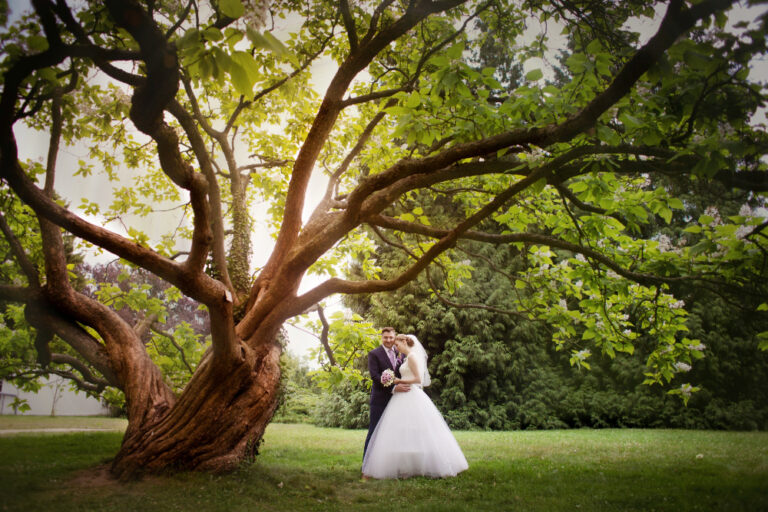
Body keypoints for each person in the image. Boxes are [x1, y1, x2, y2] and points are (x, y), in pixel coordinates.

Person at [362, 334, 468, 479]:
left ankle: (423, 465)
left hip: (410, 393)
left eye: (397, 345)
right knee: (402, 431)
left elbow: (418, 379)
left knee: (416, 429)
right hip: (403, 395)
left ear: (404, 341)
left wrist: (399, 380)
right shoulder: (405, 358)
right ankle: (405, 466)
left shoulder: (411, 357)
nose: (396, 348)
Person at [363, 327, 408, 459]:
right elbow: (375, 377)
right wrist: (394, 388)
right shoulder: (374, 354)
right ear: (381, 338)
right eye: (385, 337)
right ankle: (366, 466)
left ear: (395, 338)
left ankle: (390, 464)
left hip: (398, 401)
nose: (388, 340)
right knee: (374, 432)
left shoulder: (401, 353)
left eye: (391, 337)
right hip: (380, 400)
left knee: (396, 433)